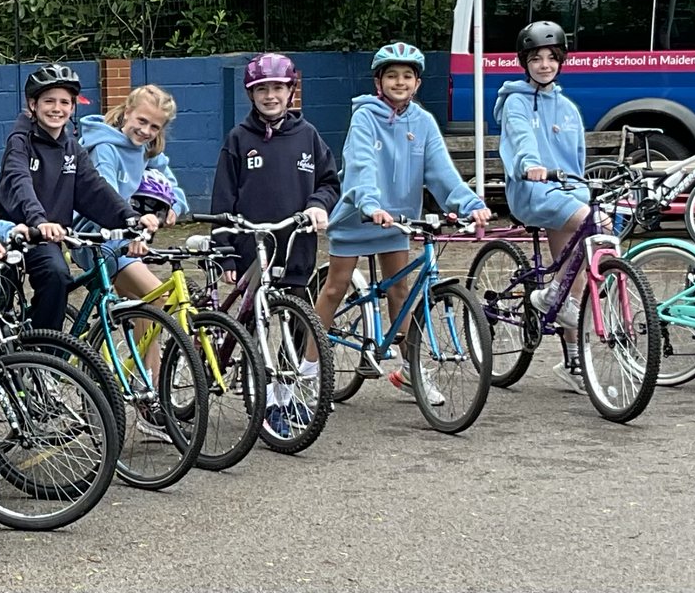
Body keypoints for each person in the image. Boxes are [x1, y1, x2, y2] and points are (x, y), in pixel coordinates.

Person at [312, 43, 491, 404]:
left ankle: (411, 370)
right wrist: (371, 204)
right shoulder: (365, 116)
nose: (400, 82)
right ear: (379, 81)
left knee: (401, 292)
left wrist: (470, 204)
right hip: (359, 216)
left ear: (418, 82)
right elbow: (360, 164)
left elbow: (441, 173)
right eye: (392, 75)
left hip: (398, 221)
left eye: (407, 76)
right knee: (335, 286)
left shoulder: (423, 122)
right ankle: (308, 367)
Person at [211, 52, 340, 437]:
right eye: (262, 89)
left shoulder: (308, 136)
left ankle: (284, 394)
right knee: (253, 328)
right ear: (251, 94)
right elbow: (223, 201)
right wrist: (227, 251)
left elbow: (329, 183)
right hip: (253, 250)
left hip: (296, 248)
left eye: (278, 89)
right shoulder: (238, 139)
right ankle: (263, 400)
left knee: (299, 324)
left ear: (290, 91)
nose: (270, 96)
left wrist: (318, 206)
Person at [0, 63, 159, 331]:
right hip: (11, 234)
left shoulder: (72, 148)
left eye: (64, 102)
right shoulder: (20, 140)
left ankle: (45, 356)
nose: (57, 108)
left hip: (48, 238)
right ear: (33, 104)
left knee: (58, 277)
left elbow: (95, 189)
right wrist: (39, 220)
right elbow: (20, 181)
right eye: (49, 101)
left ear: (72, 107)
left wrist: (130, 218)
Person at [493, 20, 596, 394]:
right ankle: (554, 294)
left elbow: (578, 159)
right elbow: (521, 140)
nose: (544, 65)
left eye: (552, 57)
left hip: (566, 194)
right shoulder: (516, 102)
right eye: (536, 58)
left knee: (579, 279)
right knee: (589, 223)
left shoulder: (568, 108)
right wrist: (529, 166)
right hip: (532, 192)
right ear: (525, 62)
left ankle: (574, 361)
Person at [78, 84, 189, 298]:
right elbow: (106, 200)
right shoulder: (104, 149)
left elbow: (170, 182)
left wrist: (174, 205)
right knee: (158, 297)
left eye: (155, 127)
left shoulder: (145, 148)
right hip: (95, 237)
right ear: (128, 112)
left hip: (126, 233)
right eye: (142, 121)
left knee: (141, 306)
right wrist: (134, 227)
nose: (146, 131)